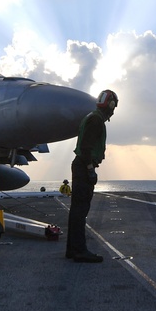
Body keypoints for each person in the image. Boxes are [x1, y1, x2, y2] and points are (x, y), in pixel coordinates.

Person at [65, 89, 117, 263]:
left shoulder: (91, 117)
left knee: (76, 210)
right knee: (81, 210)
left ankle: (72, 249)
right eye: (113, 106)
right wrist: (90, 169)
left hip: (79, 165)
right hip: (83, 165)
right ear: (109, 104)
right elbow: (86, 148)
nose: (113, 110)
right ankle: (80, 251)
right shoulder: (96, 120)